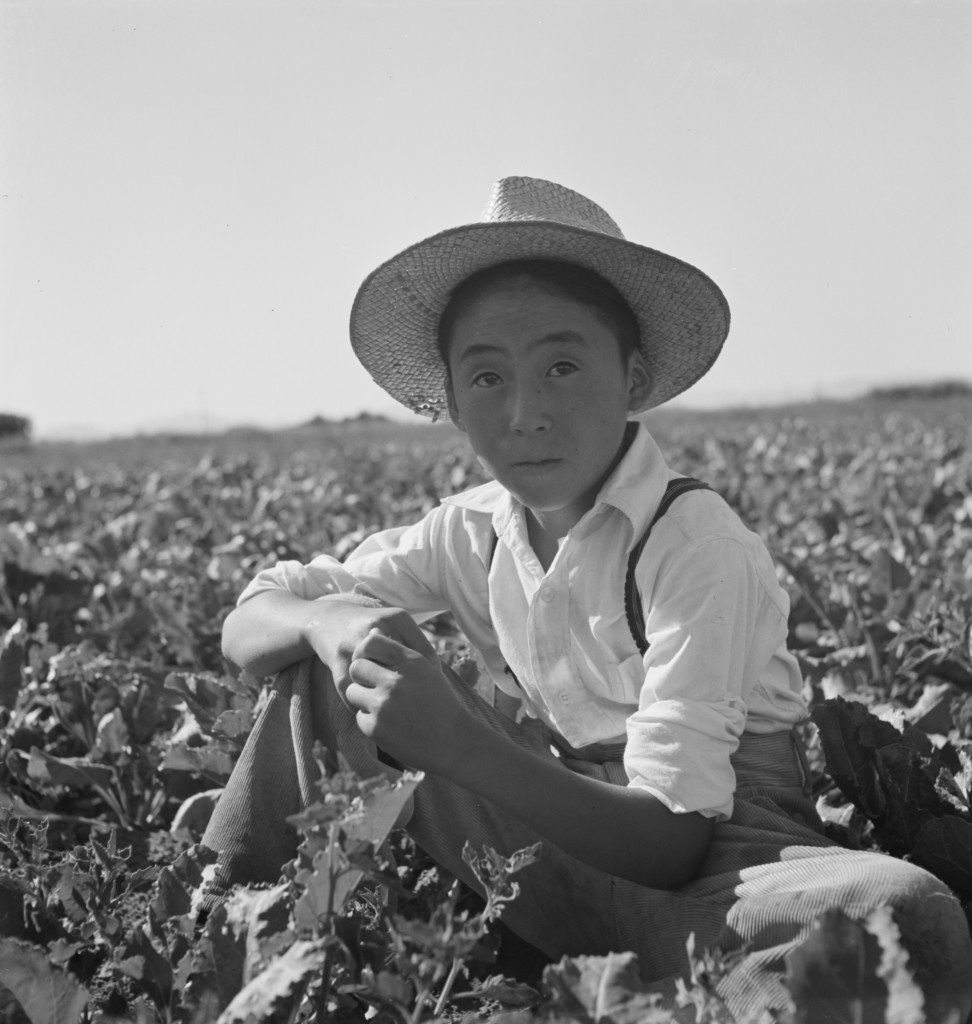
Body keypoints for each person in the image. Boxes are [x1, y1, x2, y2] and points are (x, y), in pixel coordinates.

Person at [203, 176, 972, 1020]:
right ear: (454, 403)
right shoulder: (469, 533)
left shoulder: (695, 543)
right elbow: (254, 613)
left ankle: (598, 979)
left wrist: (459, 744)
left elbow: (677, 840)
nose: (526, 412)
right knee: (323, 674)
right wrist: (326, 618)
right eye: (488, 378)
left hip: (726, 861)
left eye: (562, 366)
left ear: (633, 379)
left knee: (902, 914)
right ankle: (215, 938)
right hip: (553, 835)